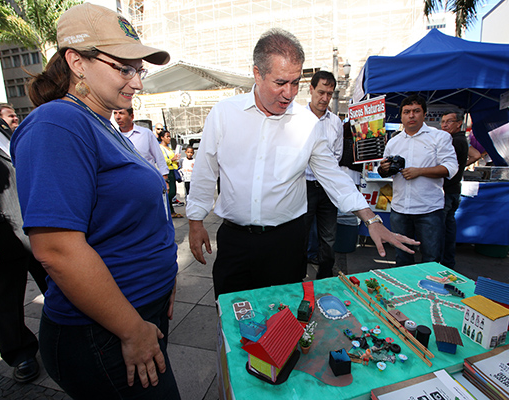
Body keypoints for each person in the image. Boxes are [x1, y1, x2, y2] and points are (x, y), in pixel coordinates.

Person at [10, 4, 180, 399]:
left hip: (135, 314)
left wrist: (162, 277)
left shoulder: (101, 122)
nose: (137, 83)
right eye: (125, 68)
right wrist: (131, 328)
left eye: (140, 70)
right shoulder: (57, 123)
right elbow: (56, 248)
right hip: (104, 333)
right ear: (77, 62)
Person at [187, 28, 418, 298]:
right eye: (280, 82)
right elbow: (205, 170)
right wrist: (195, 221)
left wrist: (370, 218)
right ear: (257, 74)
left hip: (286, 242)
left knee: (285, 319)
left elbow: (332, 175)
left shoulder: (307, 123)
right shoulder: (224, 114)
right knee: (231, 315)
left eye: (295, 82)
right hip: (236, 241)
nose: (289, 93)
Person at [0, 107, 48, 384]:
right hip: (3, 233)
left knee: (55, 283)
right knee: (6, 298)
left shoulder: (3, 128)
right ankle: (20, 354)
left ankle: (66, 332)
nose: (14, 116)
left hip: (33, 221)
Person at [378, 95, 458, 267]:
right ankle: (404, 292)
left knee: (431, 259)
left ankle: (430, 292)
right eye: (407, 112)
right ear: (401, 116)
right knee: (402, 258)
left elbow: (450, 168)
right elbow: (385, 170)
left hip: (428, 209)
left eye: (416, 111)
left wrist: (420, 172)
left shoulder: (439, 137)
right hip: (400, 209)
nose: (411, 115)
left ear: (424, 114)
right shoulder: (393, 142)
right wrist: (384, 169)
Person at [303, 70, 343, 279]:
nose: (325, 98)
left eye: (329, 93)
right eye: (321, 92)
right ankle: (296, 279)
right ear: (310, 89)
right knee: (300, 235)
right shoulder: (296, 119)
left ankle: (325, 279)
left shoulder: (335, 122)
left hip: (327, 188)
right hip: (303, 186)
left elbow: (336, 156)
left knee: (328, 238)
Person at [439, 111, 469, 269]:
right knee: (448, 227)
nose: (444, 125)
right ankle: (447, 262)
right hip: (452, 190)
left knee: (442, 230)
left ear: (459, 123)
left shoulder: (455, 141)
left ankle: (443, 263)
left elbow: (446, 168)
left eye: (449, 121)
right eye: (443, 121)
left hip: (447, 190)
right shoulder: (458, 140)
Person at [114, 108, 169, 178]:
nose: (117, 117)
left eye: (121, 113)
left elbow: (159, 157)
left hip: (147, 179)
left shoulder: (146, 134)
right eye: (115, 113)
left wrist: (165, 179)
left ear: (131, 116)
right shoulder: (113, 136)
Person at [159, 130, 183, 218]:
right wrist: (172, 159)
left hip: (173, 170)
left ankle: (170, 210)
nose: (169, 138)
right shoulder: (160, 148)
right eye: (167, 136)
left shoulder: (168, 148)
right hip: (166, 171)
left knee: (173, 192)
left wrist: (176, 161)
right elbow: (160, 160)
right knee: (170, 192)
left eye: (169, 136)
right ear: (162, 137)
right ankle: (168, 210)